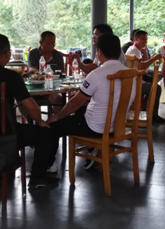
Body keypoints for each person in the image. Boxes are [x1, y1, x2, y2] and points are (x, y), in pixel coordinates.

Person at [0, 34, 57, 188]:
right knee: (46, 133)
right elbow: (31, 106)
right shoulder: (11, 76)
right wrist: (40, 121)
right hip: (5, 135)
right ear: (7, 54)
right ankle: (37, 178)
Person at [48, 33, 136, 170]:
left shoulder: (96, 74)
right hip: (118, 126)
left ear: (99, 52)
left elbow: (75, 103)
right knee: (81, 110)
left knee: (53, 126)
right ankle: (92, 150)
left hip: (95, 128)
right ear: (119, 52)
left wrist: (58, 116)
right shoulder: (131, 73)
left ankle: (49, 165)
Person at [125, 30, 163, 123]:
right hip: (133, 83)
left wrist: (150, 59)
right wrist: (154, 59)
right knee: (156, 88)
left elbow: (141, 66)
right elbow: (140, 66)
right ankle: (152, 115)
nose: (145, 41)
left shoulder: (136, 50)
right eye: (143, 39)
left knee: (153, 85)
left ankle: (147, 111)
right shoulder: (133, 50)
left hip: (135, 80)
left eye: (146, 39)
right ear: (136, 39)